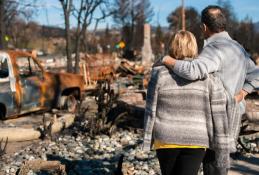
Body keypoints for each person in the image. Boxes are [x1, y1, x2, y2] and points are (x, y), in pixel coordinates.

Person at [162, 5, 259, 175]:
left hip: (217, 117)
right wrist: (242, 93)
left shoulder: (214, 50)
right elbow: (256, 74)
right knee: (220, 166)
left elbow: (193, 71)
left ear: (204, 27)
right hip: (234, 114)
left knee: (213, 166)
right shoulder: (238, 48)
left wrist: (167, 60)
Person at [143, 30, 229, 175]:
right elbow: (219, 113)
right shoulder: (208, 76)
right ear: (194, 47)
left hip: (166, 138)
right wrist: (222, 145)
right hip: (196, 139)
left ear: (172, 46)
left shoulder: (159, 73)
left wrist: (147, 139)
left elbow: (150, 109)